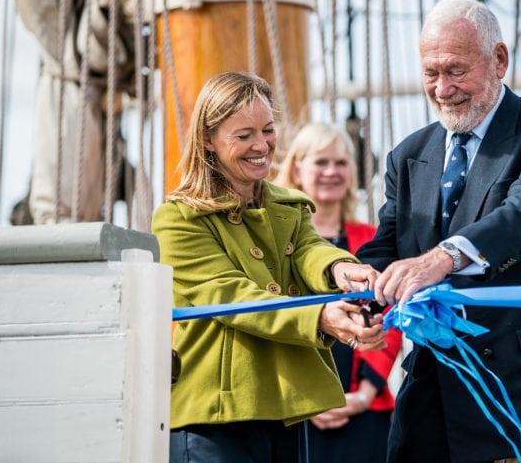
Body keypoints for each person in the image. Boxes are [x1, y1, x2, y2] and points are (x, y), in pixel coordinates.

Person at [356, 0, 521, 463]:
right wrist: (353, 286)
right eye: (430, 73)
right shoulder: (407, 155)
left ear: (499, 60)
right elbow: (385, 246)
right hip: (431, 410)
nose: (442, 88)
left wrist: (441, 259)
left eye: (455, 70)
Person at [152, 72, 384, 463]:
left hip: (285, 408)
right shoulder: (177, 219)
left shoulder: (288, 206)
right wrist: (320, 317)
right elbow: (230, 295)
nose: (262, 146)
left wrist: (342, 269)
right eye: (244, 136)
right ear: (208, 139)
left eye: (268, 130)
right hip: (214, 417)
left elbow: (311, 251)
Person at [275, 123, 403, 463]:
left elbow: (391, 318)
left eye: (341, 163)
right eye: (321, 162)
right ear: (297, 170)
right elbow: (270, 316)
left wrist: (363, 395)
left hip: (364, 408)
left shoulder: (373, 239)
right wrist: (304, 397)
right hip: (291, 411)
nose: (332, 172)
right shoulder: (276, 246)